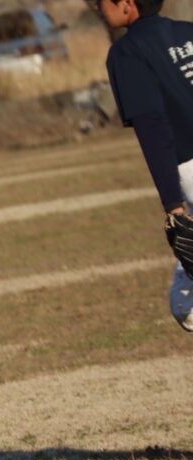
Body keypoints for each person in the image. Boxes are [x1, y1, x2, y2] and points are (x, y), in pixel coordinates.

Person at [101, 0, 193, 329]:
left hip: (188, 167)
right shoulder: (188, 31)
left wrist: (172, 204)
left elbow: (152, 126)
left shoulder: (128, 53)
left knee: (185, 308)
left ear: (127, 5)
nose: (99, 8)